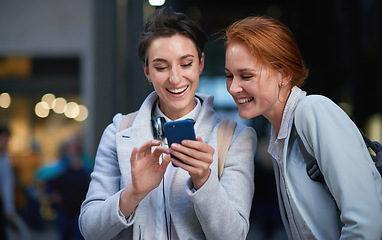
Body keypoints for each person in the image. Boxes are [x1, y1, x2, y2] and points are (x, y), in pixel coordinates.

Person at [79, 7, 257, 240]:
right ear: (146, 71)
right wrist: (133, 193)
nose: (175, 78)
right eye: (161, 67)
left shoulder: (234, 137)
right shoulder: (118, 132)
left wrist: (203, 180)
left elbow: (234, 236)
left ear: (200, 64)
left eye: (186, 64)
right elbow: (90, 230)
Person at [223, 16, 382, 239]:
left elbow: (366, 224)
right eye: (229, 75)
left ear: (284, 74)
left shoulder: (313, 110)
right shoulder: (280, 132)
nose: (233, 87)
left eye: (246, 75)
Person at [46, 137, 92, 240]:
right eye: (71, 147)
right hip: (64, 207)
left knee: (79, 234)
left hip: (80, 207)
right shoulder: (60, 164)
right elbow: (49, 182)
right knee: (65, 233)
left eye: (75, 147)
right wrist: (54, 195)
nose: (73, 149)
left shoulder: (85, 163)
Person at [0, 126, 16, 240]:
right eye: (3, 140)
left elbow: (7, 186)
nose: (5, 143)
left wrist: (9, 208)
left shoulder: (5, 160)